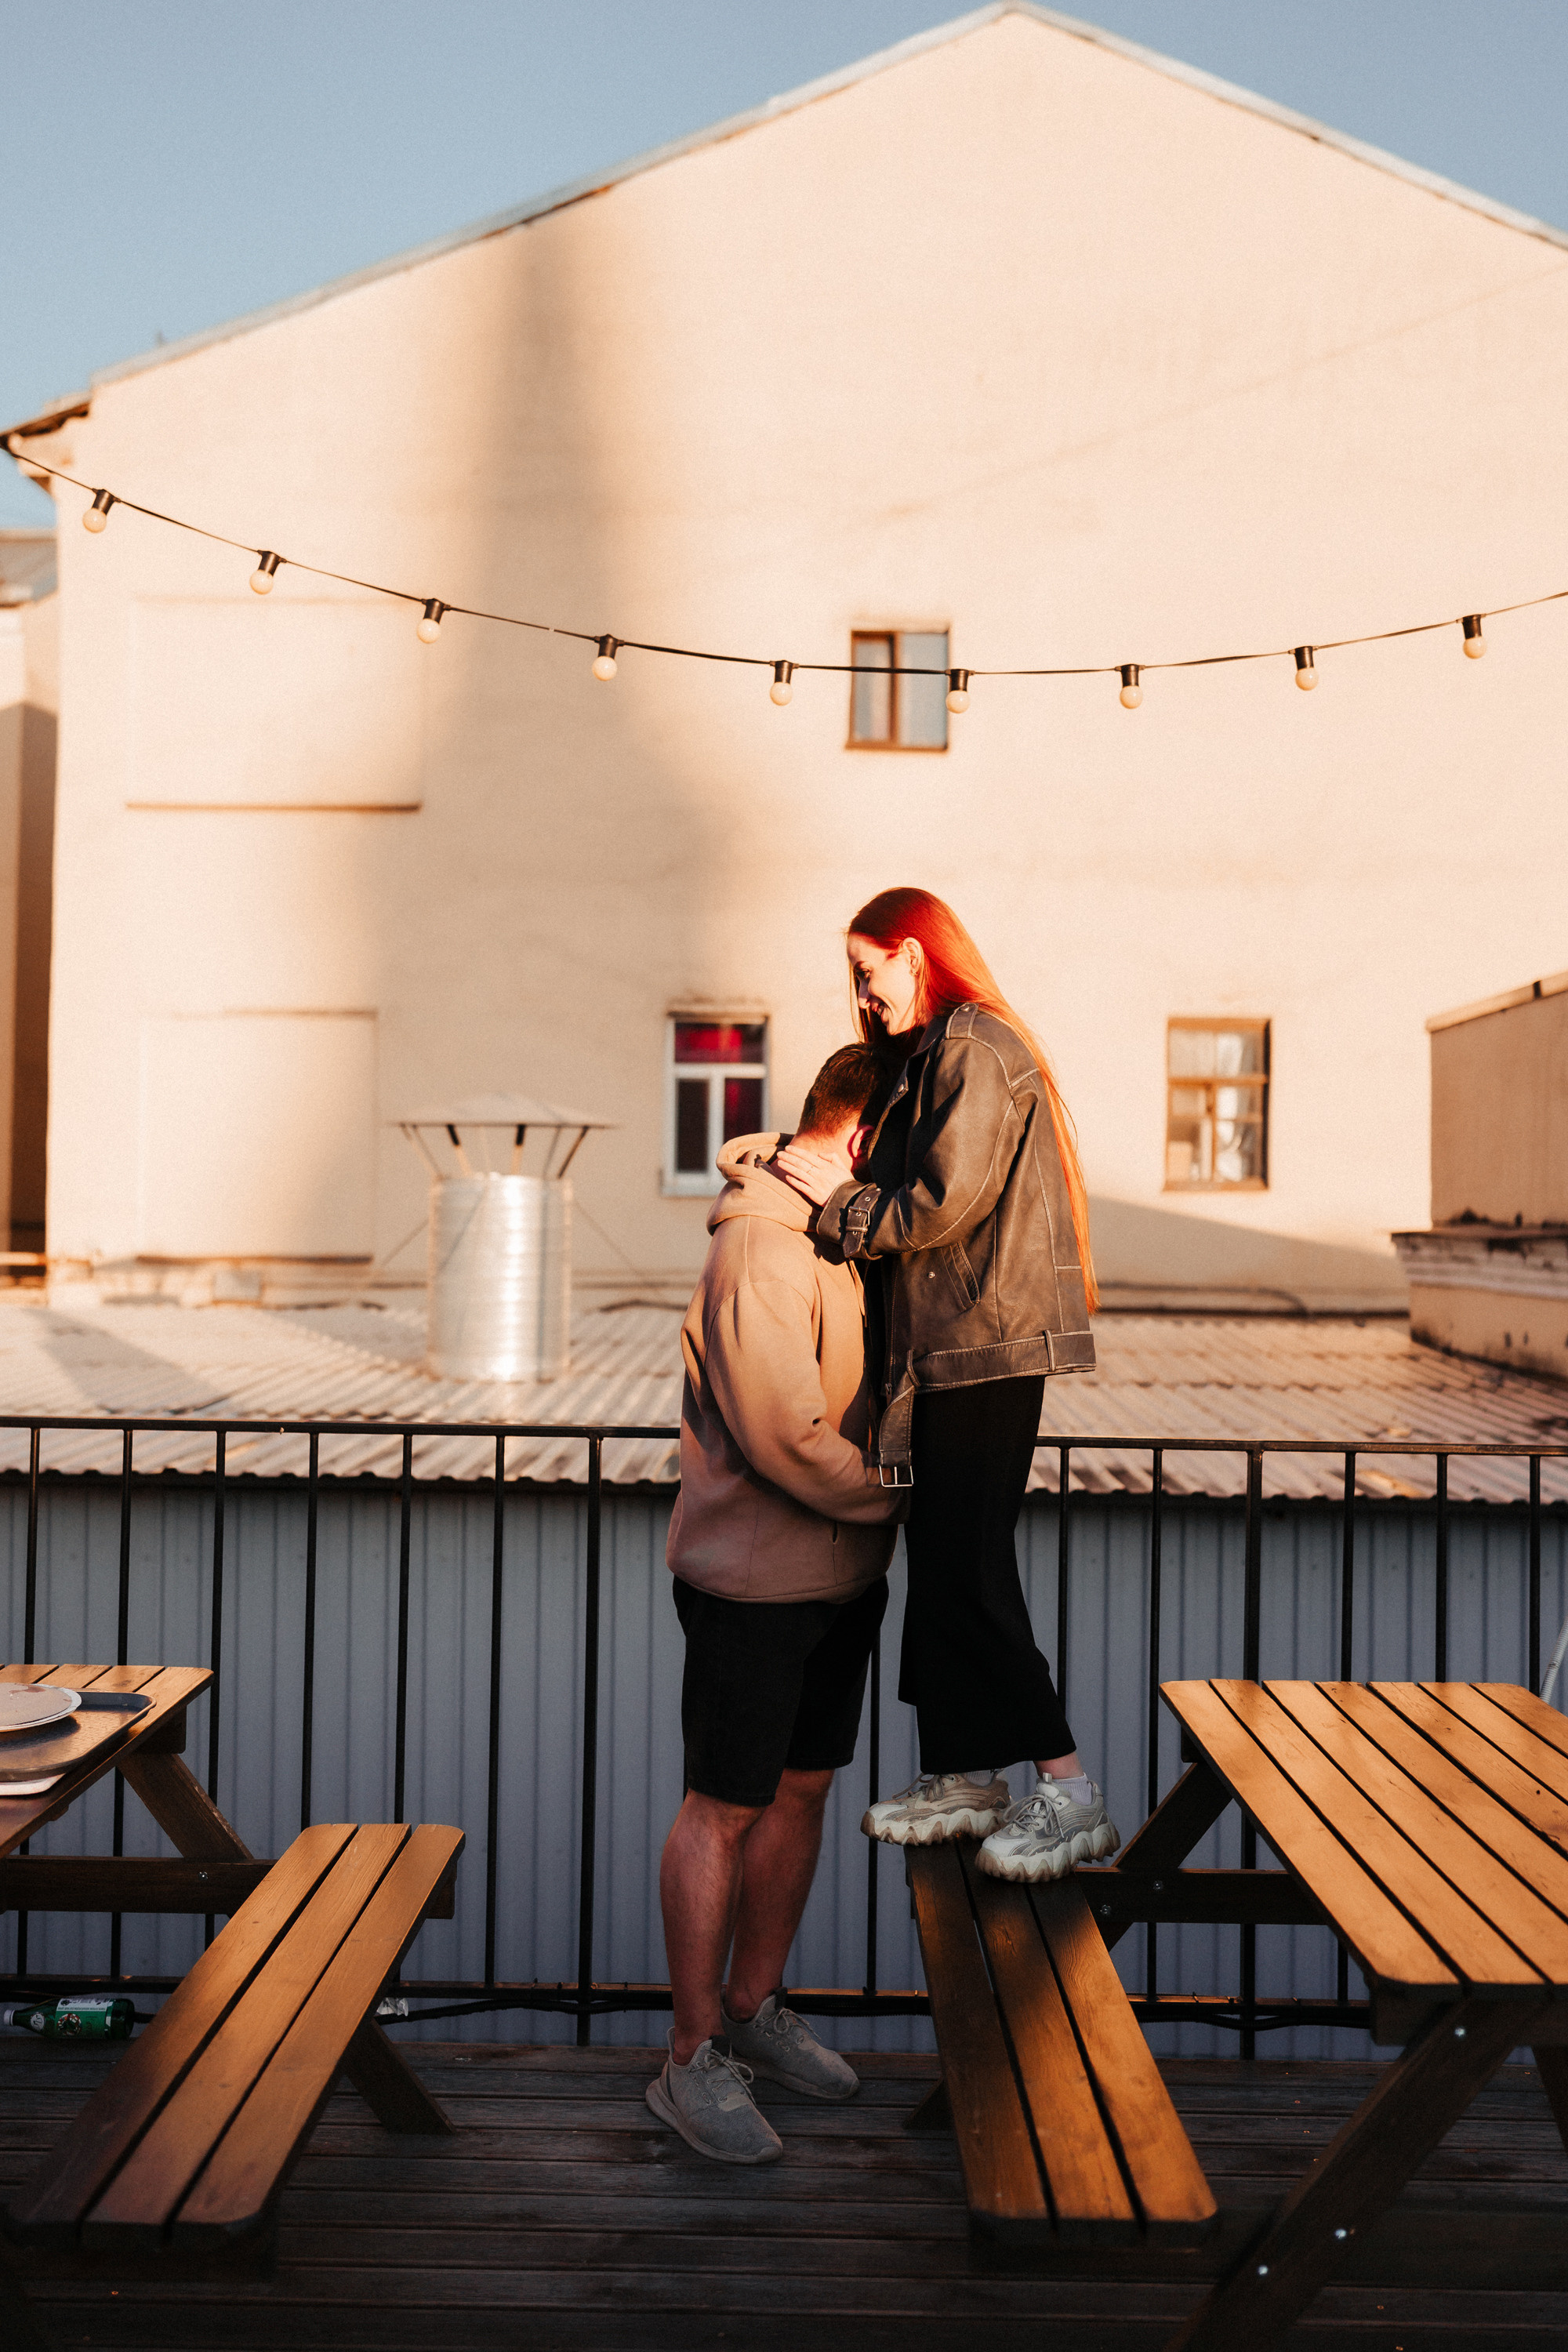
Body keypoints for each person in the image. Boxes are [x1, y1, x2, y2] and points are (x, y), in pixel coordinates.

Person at [774, 887, 1120, 1886]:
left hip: (984, 1348)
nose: (860, 995)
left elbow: (937, 1204)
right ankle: (965, 1774)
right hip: (952, 1352)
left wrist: (835, 1203)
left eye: (866, 970)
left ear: (916, 954)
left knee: (968, 1571)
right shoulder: (935, 1054)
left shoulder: (977, 1046)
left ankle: (1069, 1794)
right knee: (944, 1565)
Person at [647, 1044, 903, 2166]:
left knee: (802, 1791)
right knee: (726, 1806)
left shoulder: (830, 1233)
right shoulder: (762, 1245)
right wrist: (901, 1493)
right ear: (863, 1137)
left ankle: (753, 2008)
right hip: (755, 1582)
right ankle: (690, 2057)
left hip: (839, 1574)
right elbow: (784, 1435)